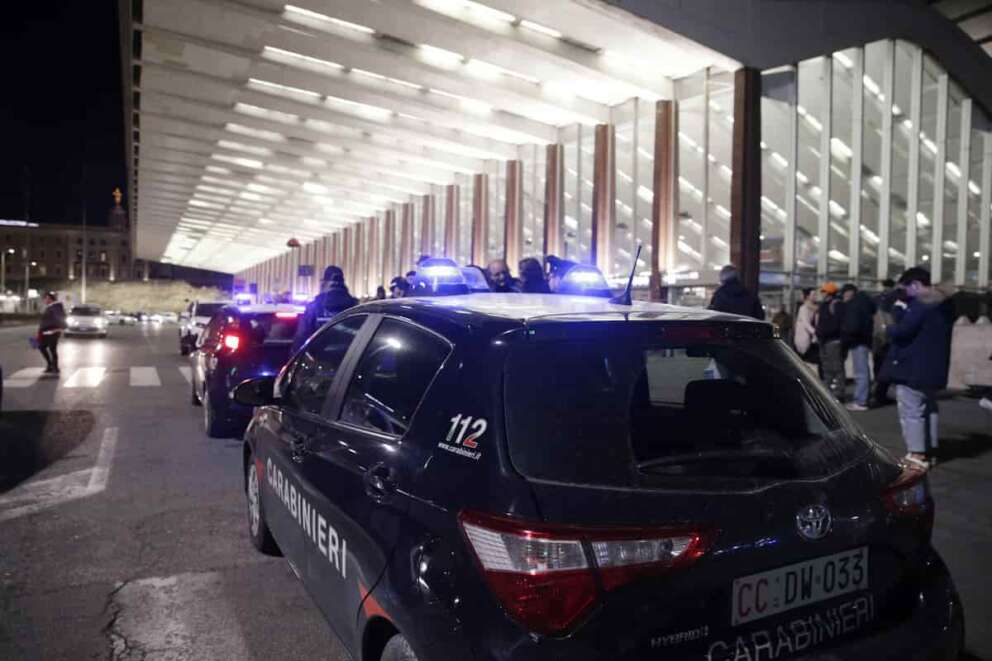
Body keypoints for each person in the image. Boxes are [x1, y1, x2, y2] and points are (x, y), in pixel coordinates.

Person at [879, 267, 954, 468]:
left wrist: (889, 321)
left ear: (916, 285)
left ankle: (917, 455)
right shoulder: (943, 305)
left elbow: (902, 331)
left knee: (911, 412)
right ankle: (930, 450)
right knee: (929, 410)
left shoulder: (921, 305)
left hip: (913, 368)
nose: (904, 293)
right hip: (933, 369)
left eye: (905, 289)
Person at [292, 265, 358, 352]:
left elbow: (302, 336)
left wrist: (296, 356)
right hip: (350, 356)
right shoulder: (355, 305)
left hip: (319, 356)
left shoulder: (314, 306)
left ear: (324, 283)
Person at [841, 284, 877, 411]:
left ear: (849, 293)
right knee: (863, 371)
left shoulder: (855, 304)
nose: (844, 297)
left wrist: (846, 333)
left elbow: (853, 326)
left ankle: (861, 401)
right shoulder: (866, 302)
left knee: (860, 372)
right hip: (865, 340)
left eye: (844, 294)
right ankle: (862, 398)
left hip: (857, 340)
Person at [815, 282, 846, 401]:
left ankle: (839, 393)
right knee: (826, 367)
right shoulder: (824, 305)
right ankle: (827, 392)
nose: (821, 293)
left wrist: (823, 332)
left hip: (833, 340)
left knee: (836, 367)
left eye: (823, 291)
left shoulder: (836, 304)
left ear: (829, 293)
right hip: (824, 340)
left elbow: (838, 324)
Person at [873, 279, 897, 406]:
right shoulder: (894, 299)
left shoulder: (876, 299)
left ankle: (878, 392)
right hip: (888, 337)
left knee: (878, 364)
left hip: (877, 336)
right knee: (886, 366)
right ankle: (880, 394)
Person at [37, 291, 67, 375]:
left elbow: (60, 318)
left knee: (52, 349)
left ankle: (55, 367)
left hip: (52, 332)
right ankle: (50, 365)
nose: (45, 300)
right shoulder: (50, 307)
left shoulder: (56, 307)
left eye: (46, 299)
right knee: (42, 347)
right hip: (45, 331)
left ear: (50, 299)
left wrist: (59, 328)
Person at [793, 288, 819, 369]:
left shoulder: (815, 309)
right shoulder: (803, 308)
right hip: (803, 341)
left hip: (812, 340)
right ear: (807, 297)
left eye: (816, 294)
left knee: (812, 364)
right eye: (813, 295)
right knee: (803, 365)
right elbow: (806, 323)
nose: (815, 296)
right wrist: (816, 332)